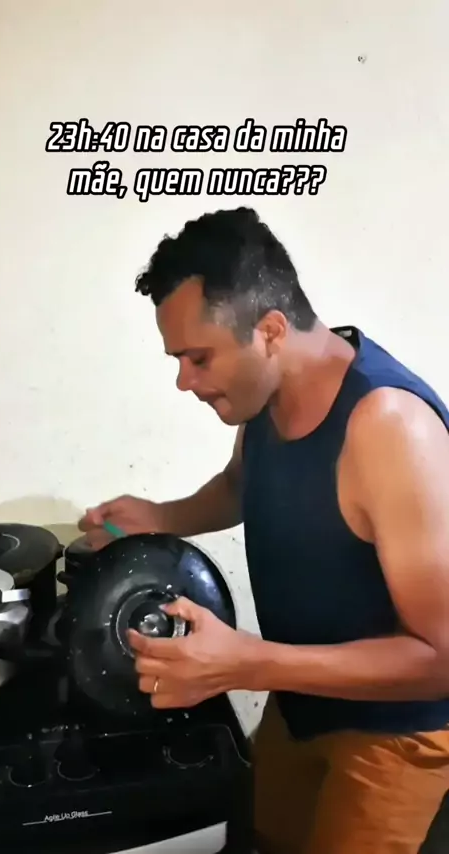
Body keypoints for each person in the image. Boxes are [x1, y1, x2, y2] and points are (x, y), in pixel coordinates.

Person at [78, 207, 449, 854]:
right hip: (301, 698)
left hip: (396, 733)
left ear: (271, 331)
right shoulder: (265, 397)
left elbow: (441, 658)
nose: (184, 382)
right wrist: (162, 517)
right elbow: (239, 485)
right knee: (260, 839)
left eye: (198, 358)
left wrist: (248, 663)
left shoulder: (390, 427)